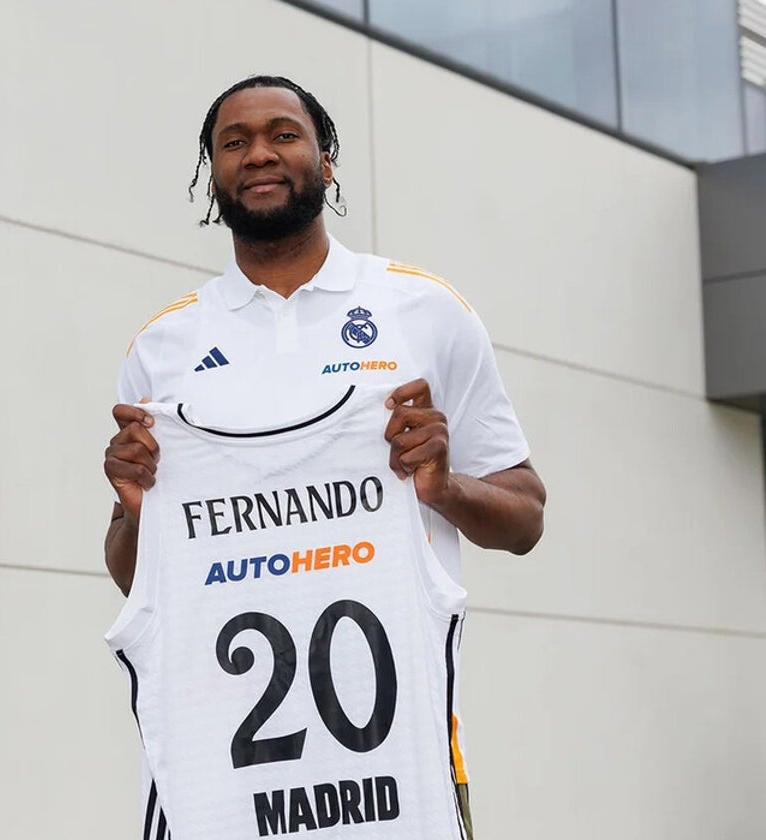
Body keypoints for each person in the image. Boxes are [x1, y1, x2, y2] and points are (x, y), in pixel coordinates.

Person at [102, 75, 545, 838]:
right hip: (225, 797)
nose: (258, 154)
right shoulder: (163, 348)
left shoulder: (425, 312)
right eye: (233, 143)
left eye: (283, 133)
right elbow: (133, 575)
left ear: (327, 159)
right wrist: (139, 511)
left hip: (400, 783)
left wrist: (444, 488)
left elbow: (527, 517)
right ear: (213, 174)